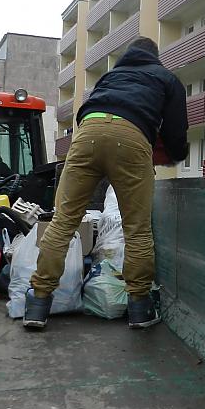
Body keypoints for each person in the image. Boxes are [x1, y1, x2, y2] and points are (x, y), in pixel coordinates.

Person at [24, 36, 188, 330]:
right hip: (132, 137)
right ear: (155, 57)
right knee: (136, 229)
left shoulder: (111, 76)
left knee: (62, 222)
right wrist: (175, 155)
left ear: (129, 56)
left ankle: (37, 303)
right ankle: (140, 308)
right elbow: (176, 130)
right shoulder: (166, 78)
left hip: (87, 133)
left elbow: (85, 112)